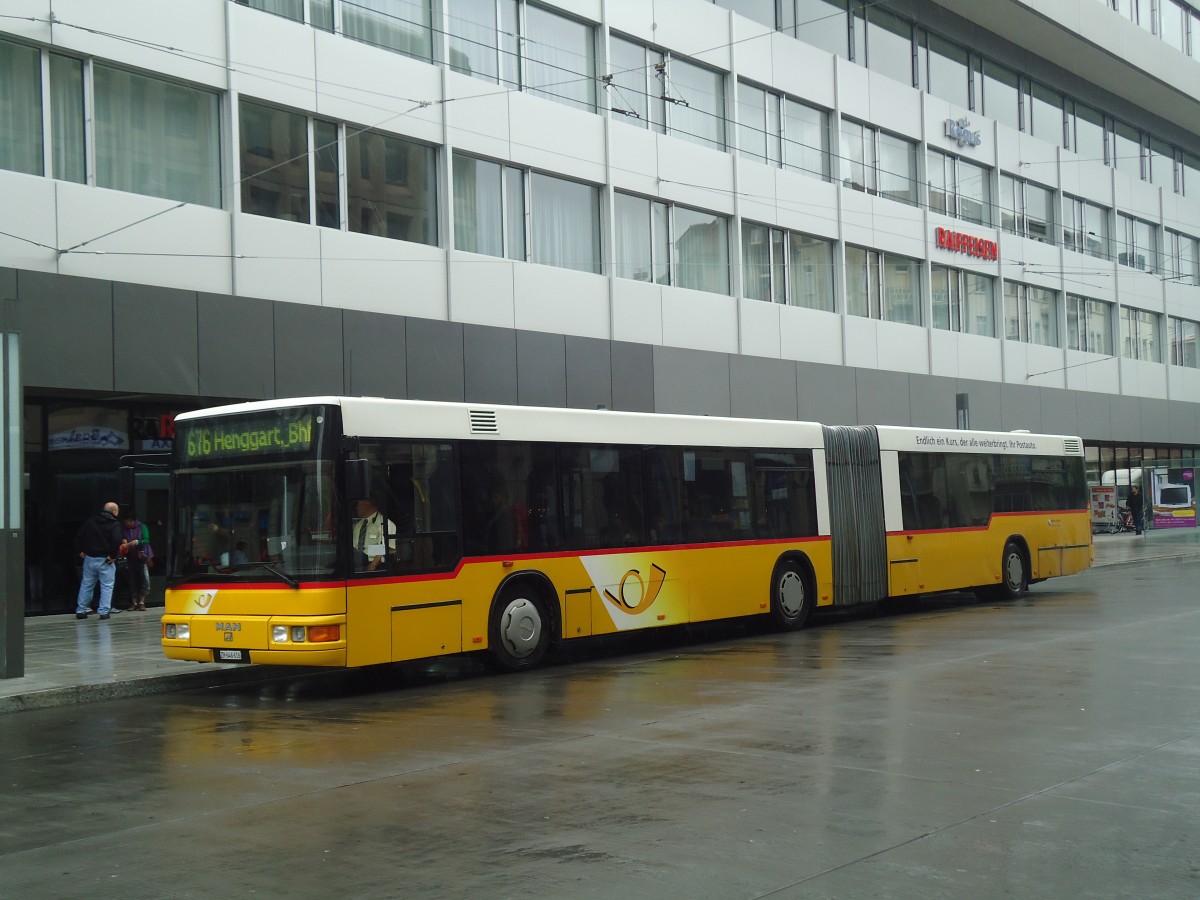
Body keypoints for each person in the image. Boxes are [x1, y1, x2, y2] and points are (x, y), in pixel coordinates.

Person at [74, 501, 127, 620]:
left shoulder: (91, 521)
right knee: (107, 586)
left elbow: (79, 536)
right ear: (114, 511)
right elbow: (117, 540)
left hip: (90, 558)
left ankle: (81, 610)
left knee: (86, 584)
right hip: (106, 559)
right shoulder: (114, 524)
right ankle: (103, 611)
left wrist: (80, 550)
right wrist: (113, 556)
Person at [352, 496, 396, 572]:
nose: (356, 507)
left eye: (358, 504)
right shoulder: (358, 526)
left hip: (375, 567)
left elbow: (385, 549)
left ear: (367, 504)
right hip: (356, 564)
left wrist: (372, 565)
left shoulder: (385, 524)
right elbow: (354, 547)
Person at [121, 512, 153, 610]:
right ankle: (134, 603)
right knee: (132, 580)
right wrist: (124, 542)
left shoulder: (142, 527)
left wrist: (138, 542)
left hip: (142, 556)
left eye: (130, 521)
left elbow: (147, 540)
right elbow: (122, 539)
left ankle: (142, 602)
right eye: (127, 521)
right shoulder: (124, 529)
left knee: (144, 579)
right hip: (130, 557)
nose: (129, 523)